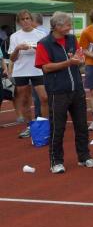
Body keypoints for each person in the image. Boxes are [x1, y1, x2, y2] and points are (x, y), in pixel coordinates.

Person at [34, 12, 93, 173]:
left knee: (82, 125)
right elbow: (45, 67)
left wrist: (79, 60)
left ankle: (84, 157)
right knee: (58, 128)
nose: (70, 27)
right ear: (57, 26)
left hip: (77, 89)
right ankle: (56, 161)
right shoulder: (44, 44)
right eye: (68, 25)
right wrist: (68, 62)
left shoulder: (71, 39)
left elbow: (78, 58)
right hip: (58, 91)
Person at [8, 10, 49, 139]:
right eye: (22, 19)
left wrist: (38, 49)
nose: (25, 21)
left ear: (31, 20)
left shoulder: (41, 34)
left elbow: (47, 54)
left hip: (38, 70)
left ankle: (44, 126)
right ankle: (30, 126)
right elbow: (12, 59)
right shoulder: (15, 36)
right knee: (25, 100)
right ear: (19, 22)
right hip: (21, 71)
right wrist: (17, 49)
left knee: (44, 98)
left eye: (27, 18)